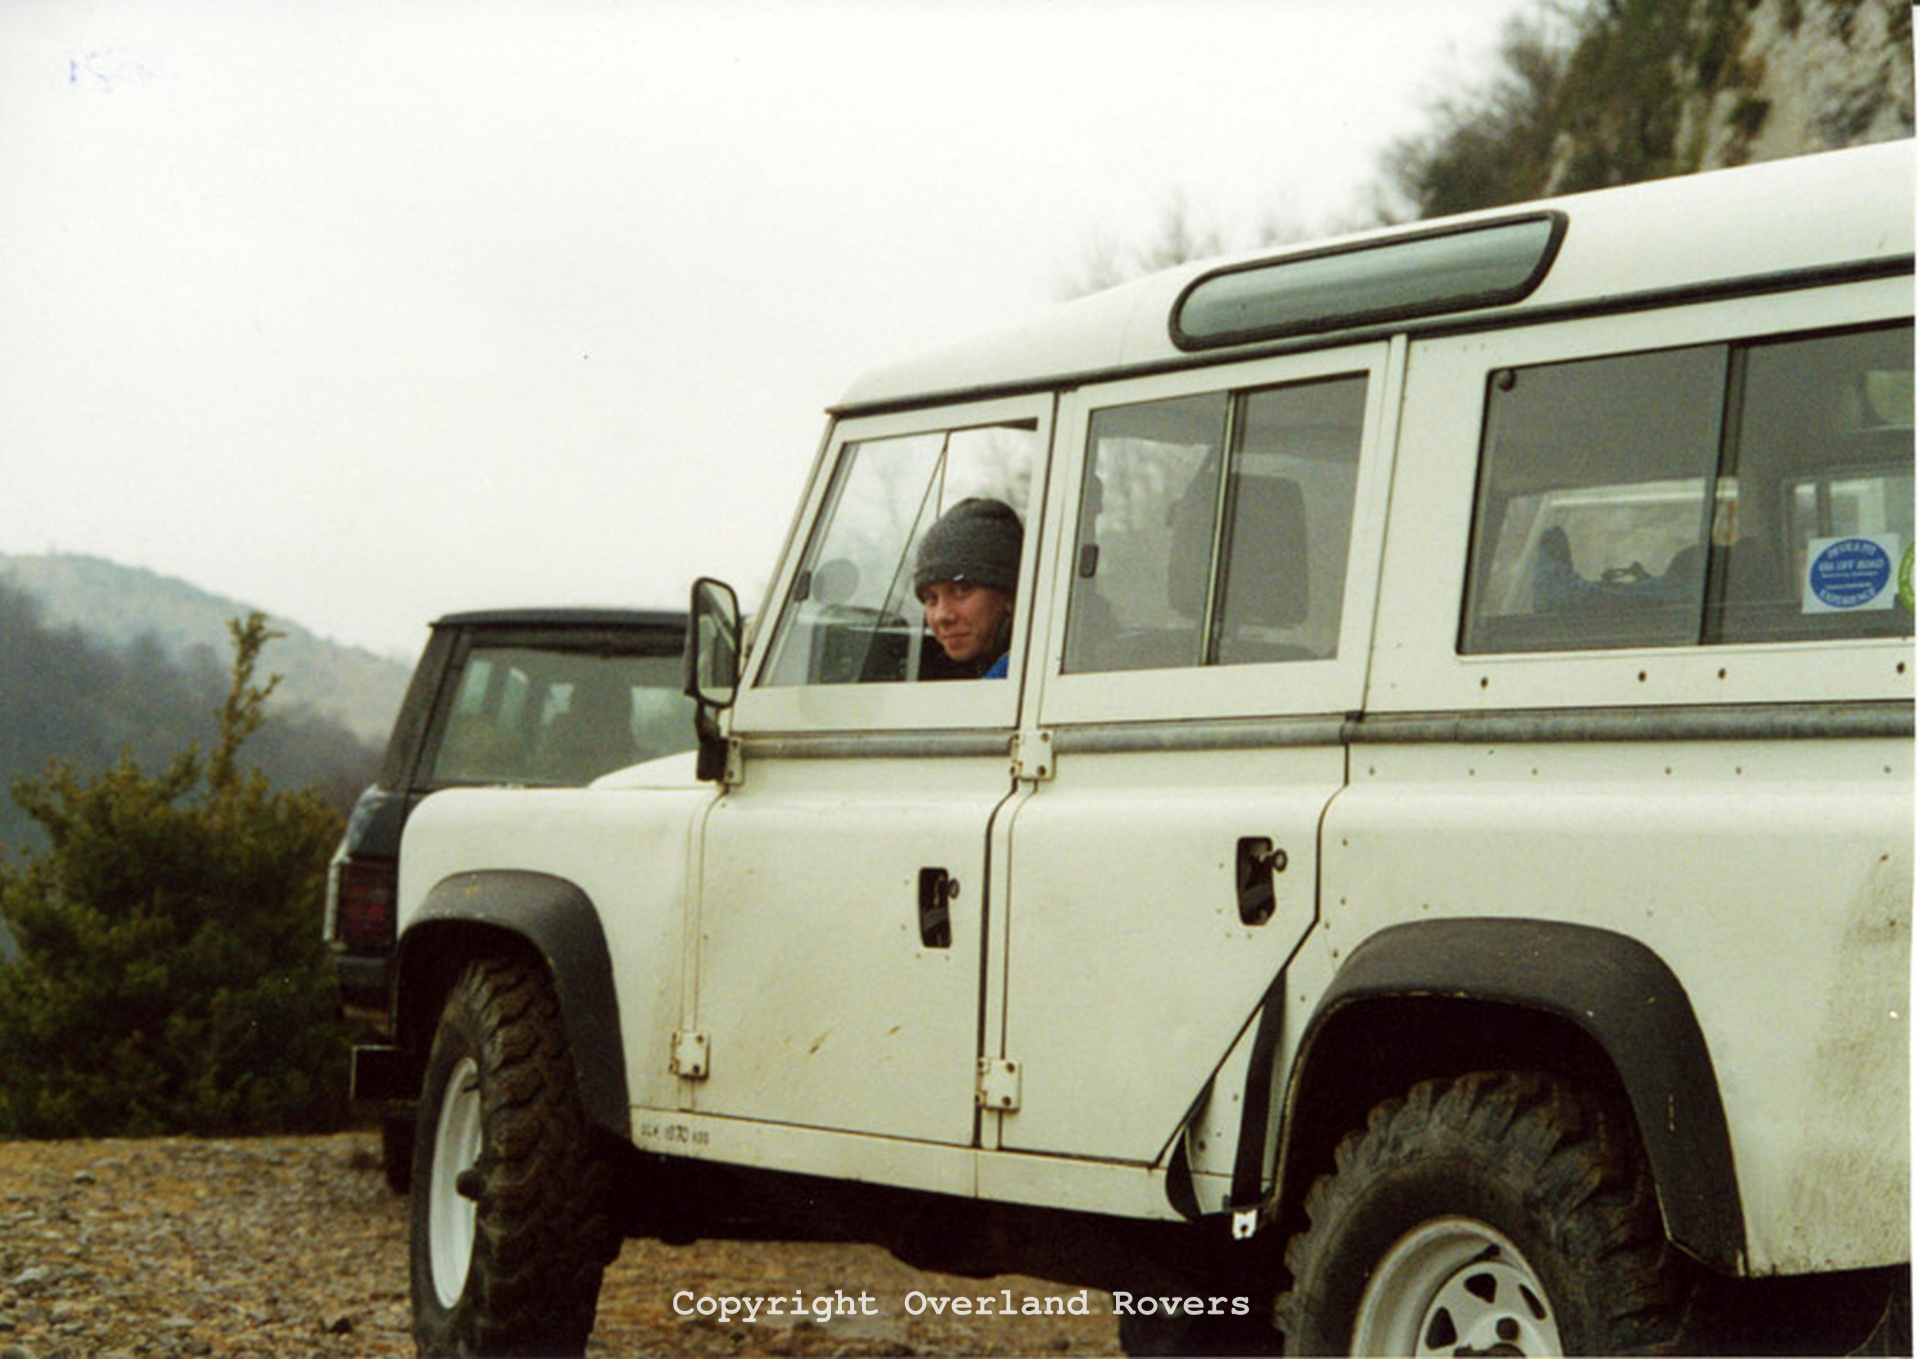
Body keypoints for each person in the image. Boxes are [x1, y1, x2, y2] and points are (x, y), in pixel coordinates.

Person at [913, 497, 1022, 679]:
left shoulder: (1021, 678)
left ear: (1009, 596)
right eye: (931, 598)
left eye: (963, 590)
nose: (942, 616)